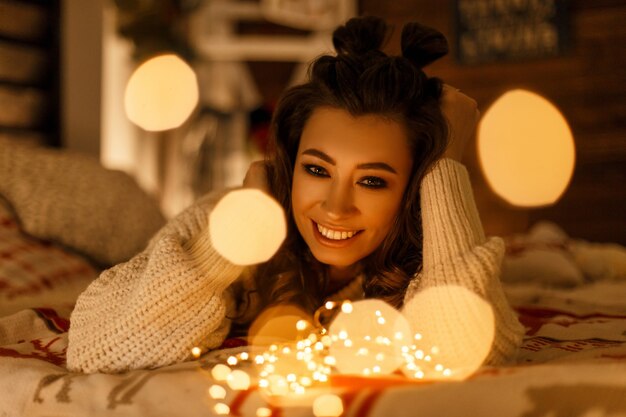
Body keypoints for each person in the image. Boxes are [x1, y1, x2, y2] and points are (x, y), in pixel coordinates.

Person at [66, 16, 524, 373]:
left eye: (372, 180)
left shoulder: (433, 242)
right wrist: (234, 238)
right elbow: (92, 345)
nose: (334, 206)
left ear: (413, 187)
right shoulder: (221, 216)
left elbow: (473, 351)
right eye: (317, 169)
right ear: (290, 161)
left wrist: (445, 163)